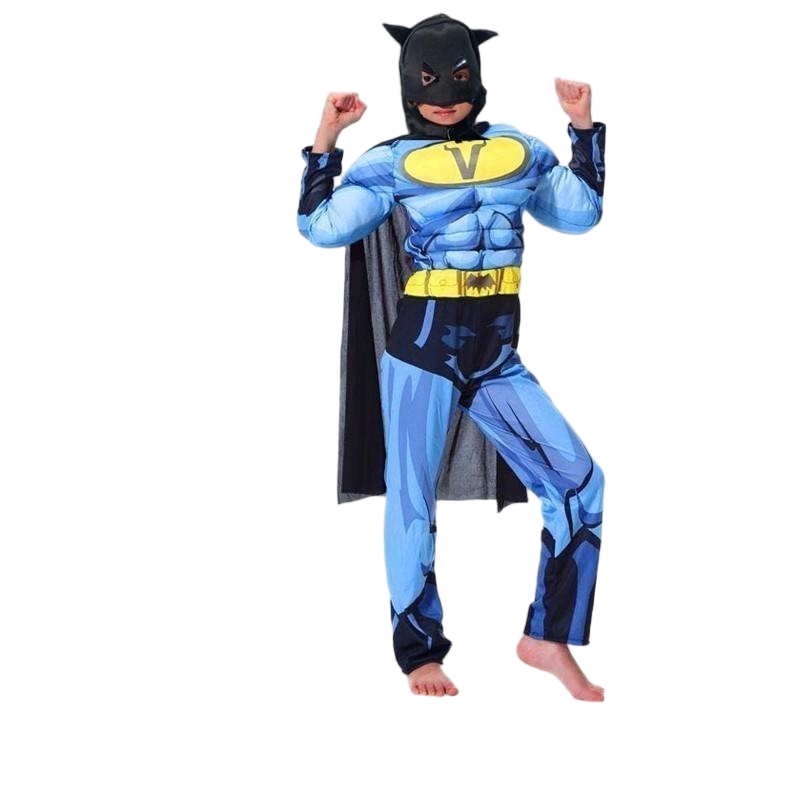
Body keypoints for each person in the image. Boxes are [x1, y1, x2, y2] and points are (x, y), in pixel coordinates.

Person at [297, 13, 606, 701]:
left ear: (477, 76)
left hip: (495, 355)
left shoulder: (520, 151)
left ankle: (547, 637)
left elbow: (581, 213)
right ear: (409, 83)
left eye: (457, 76)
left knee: (580, 483)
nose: (443, 95)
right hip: (422, 349)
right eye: (427, 79)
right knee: (411, 500)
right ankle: (419, 655)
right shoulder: (390, 162)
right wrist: (327, 139)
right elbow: (320, 228)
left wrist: (582, 129)